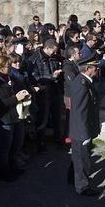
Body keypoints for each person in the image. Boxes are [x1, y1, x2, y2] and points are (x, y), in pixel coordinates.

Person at [0, 54, 29, 182]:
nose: (10, 68)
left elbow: (21, 88)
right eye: (8, 66)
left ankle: (13, 165)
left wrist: (24, 93)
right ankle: (4, 171)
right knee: (4, 148)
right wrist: (15, 98)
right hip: (4, 119)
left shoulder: (11, 78)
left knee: (17, 144)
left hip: (17, 116)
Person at [69, 59, 101, 196]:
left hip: (83, 128)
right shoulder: (82, 84)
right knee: (82, 160)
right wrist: (85, 134)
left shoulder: (85, 81)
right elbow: (80, 112)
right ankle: (82, 187)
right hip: (81, 130)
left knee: (78, 157)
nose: (98, 69)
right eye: (96, 67)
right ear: (88, 69)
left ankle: (72, 179)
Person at [27, 38, 63, 150]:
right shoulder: (34, 59)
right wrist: (52, 76)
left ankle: (57, 137)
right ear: (47, 48)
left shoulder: (54, 57)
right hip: (42, 92)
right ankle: (40, 143)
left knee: (57, 115)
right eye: (54, 51)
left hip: (55, 90)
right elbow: (34, 76)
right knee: (43, 117)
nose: (55, 53)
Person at [62, 47, 81, 145]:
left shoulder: (74, 64)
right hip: (70, 95)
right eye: (78, 53)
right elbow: (72, 82)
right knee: (70, 117)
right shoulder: (67, 67)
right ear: (73, 55)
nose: (80, 54)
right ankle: (67, 139)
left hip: (74, 94)